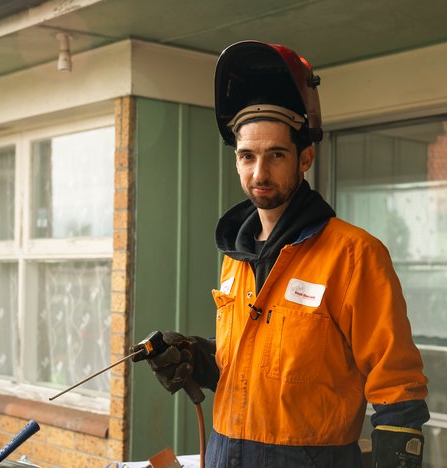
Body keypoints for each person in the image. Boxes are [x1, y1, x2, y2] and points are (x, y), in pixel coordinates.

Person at [136, 40, 429, 468]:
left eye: (276, 155)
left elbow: (398, 387)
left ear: (304, 157)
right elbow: (262, 362)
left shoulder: (353, 255)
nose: (260, 173)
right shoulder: (236, 254)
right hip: (225, 453)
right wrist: (198, 359)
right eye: (247, 156)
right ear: (236, 162)